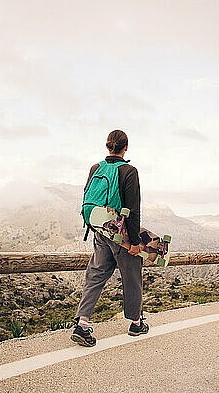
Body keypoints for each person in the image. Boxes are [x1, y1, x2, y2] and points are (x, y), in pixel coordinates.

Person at [71, 130, 149, 347]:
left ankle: (83, 323)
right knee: (132, 276)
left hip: (100, 231)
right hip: (121, 234)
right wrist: (134, 242)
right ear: (126, 146)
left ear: (107, 146)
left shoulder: (95, 169)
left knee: (95, 275)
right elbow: (133, 210)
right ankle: (136, 322)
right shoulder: (129, 171)